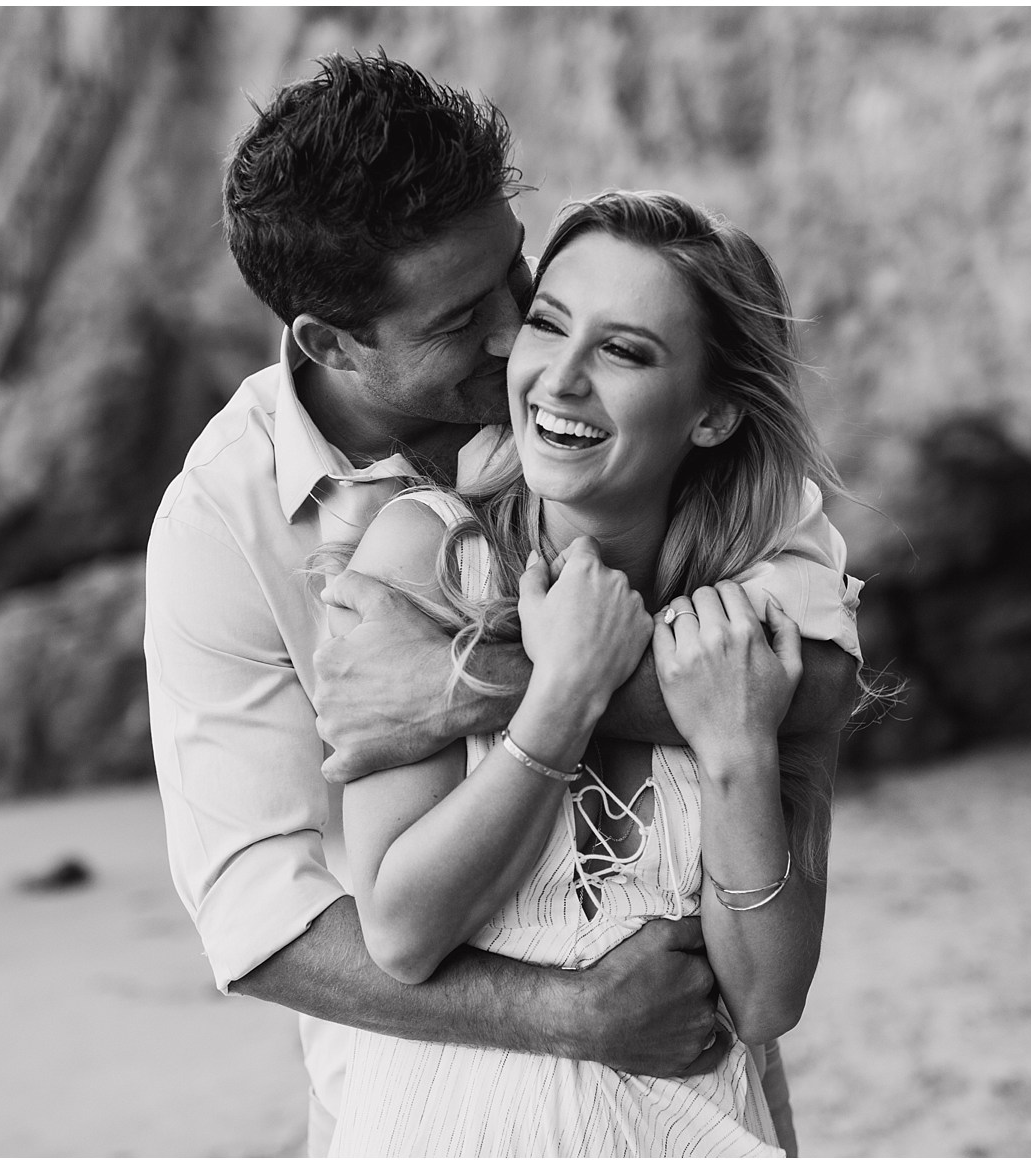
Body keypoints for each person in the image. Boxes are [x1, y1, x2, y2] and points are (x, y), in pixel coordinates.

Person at [143, 53, 863, 1156]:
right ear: (331, 344)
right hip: (437, 1107)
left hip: (690, 1108)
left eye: (516, 277)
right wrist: (571, 1017)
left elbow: (810, 686)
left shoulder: (687, 470)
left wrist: (479, 672)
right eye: (461, 318)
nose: (517, 338)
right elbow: (262, 920)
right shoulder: (227, 528)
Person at [321, 188, 849, 1157]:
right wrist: (561, 696)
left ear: (715, 413)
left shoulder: (755, 626)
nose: (560, 379)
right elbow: (401, 930)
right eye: (550, 326)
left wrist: (734, 747)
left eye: (624, 350)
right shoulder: (425, 559)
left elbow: (768, 1001)